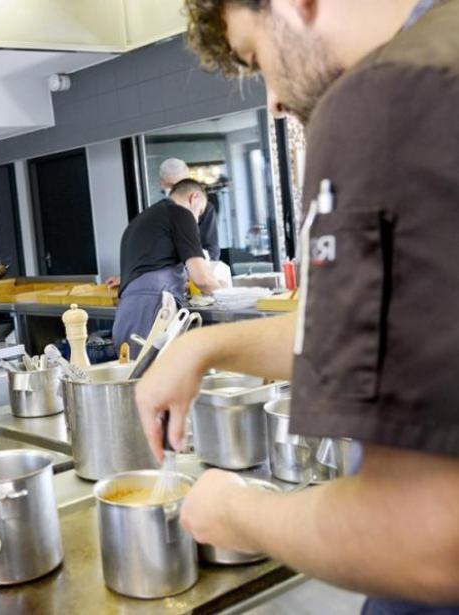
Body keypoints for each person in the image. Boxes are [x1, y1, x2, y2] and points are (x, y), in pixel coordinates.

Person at [135, 0, 459, 611]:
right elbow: (398, 334)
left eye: (259, 59)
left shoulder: (385, 100)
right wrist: (205, 345)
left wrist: (241, 513)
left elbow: (427, 535)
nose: (275, 101)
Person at [111, 178, 224, 357]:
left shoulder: (144, 218)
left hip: (128, 310)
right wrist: (227, 294)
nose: (199, 217)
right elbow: (202, 278)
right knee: (156, 377)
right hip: (153, 307)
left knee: (134, 377)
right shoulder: (181, 213)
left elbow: (150, 266)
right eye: (201, 211)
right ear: (194, 197)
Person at [160, 157, 220, 262]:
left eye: (180, 184)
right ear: (161, 183)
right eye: (171, 185)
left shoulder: (204, 209)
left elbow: (212, 249)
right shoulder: (156, 211)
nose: (176, 190)